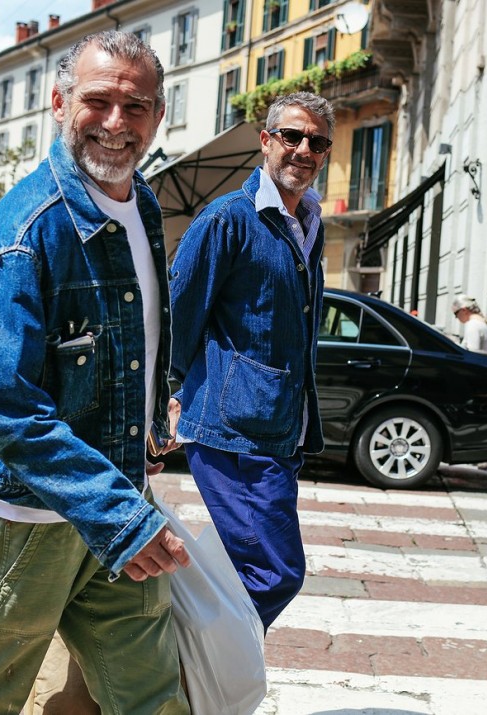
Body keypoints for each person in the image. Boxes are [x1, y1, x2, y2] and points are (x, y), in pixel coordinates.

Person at [0, 31, 191, 715]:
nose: (115, 123)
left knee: (152, 694)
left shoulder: (145, 205)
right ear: (60, 102)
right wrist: (119, 516)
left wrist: (154, 416)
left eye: (136, 108)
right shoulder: (26, 230)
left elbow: (137, 334)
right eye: (98, 101)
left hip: (118, 496)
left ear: (158, 117)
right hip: (30, 521)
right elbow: (4, 405)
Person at [166, 91, 334, 631]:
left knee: (242, 570)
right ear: (266, 141)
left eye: (317, 141)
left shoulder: (310, 222)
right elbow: (179, 313)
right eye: (291, 136)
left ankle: (199, 680)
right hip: (231, 428)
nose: (303, 149)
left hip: (279, 428)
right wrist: (164, 397)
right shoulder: (227, 219)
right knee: (273, 571)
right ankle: (180, 667)